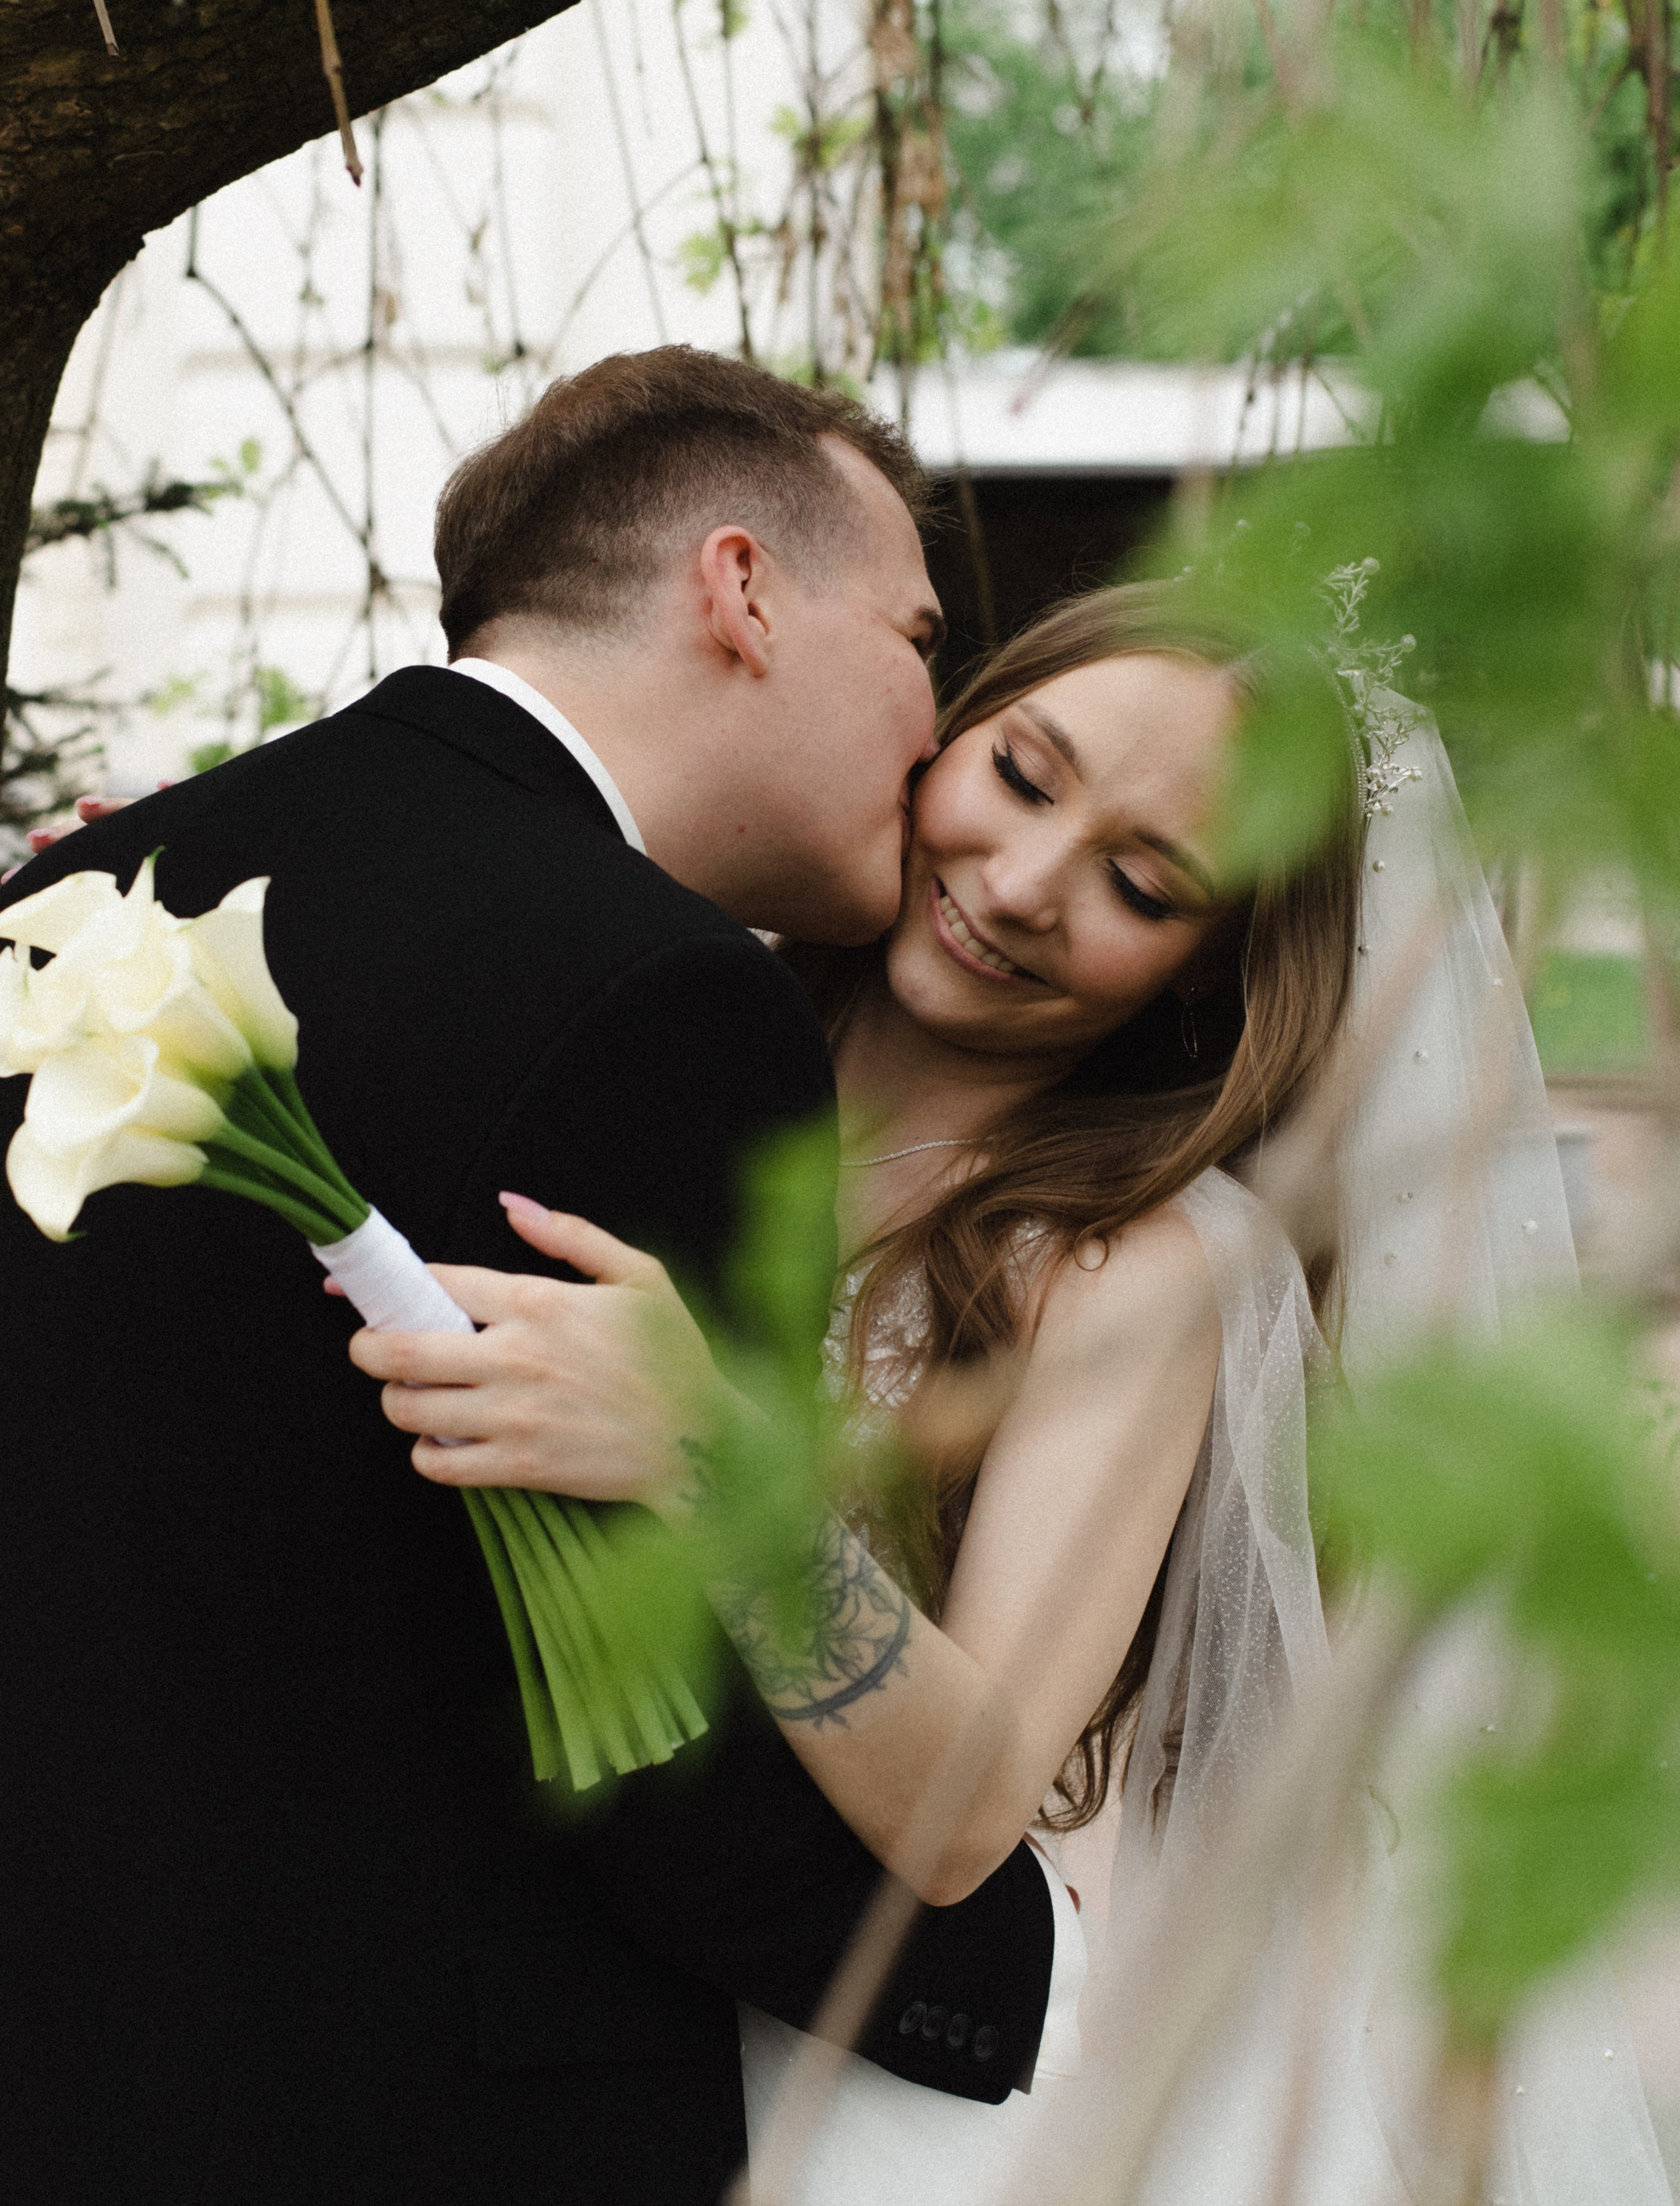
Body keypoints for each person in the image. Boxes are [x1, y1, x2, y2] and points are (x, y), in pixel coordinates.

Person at [0, 349, 1068, 2206]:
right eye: (917, 637)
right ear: (740, 591)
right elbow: (629, 1711)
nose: (934, 725)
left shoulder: (85, 897)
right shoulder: (663, 993)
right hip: (421, 2108)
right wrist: (999, 1963)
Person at [345, 582, 1370, 2201]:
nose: (1021, 883)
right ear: (939, 730)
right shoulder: (637, 1024)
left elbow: (966, 1814)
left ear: (1201, 970)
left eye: (1137, 881)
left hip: (845, 2088)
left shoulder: (1139, 1263)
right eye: (1022, 777)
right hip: (478, 2008)